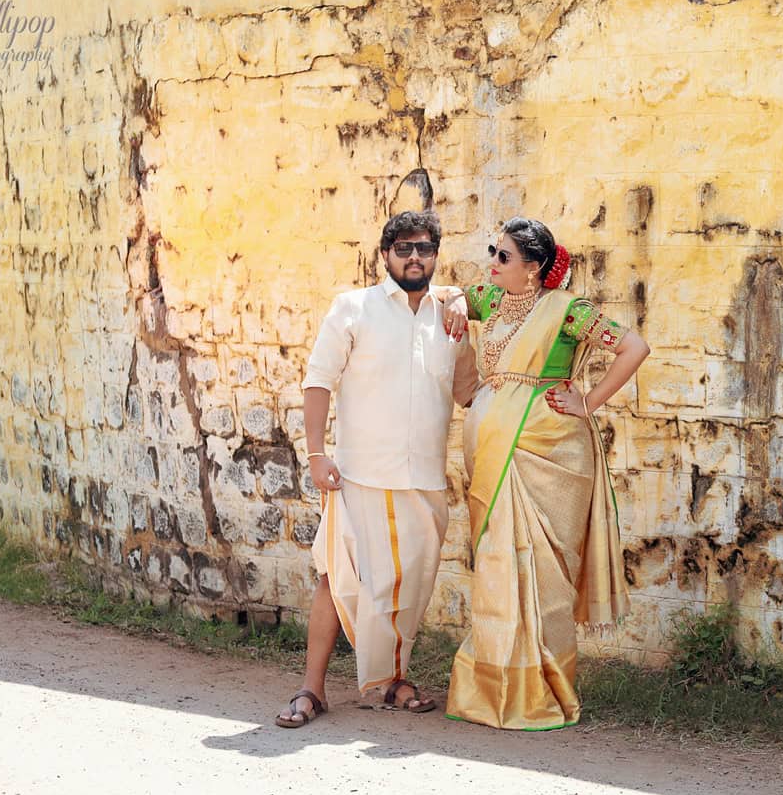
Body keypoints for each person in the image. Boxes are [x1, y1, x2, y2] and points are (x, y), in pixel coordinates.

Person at [445, 217, 650, 731]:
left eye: (503, 257)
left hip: (550, 450)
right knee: (497, 565)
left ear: (533, 268)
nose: (492, 264)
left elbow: (634, 347)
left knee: (545, 573)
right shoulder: (491, 301)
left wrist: (589, 402)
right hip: (491, 447)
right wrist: (451, 306)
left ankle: (545, 693)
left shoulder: (568, 311)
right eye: (493, 253)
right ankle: (489, 690)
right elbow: (449, 296)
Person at [276, 210, 476, 728]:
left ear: (436, 254)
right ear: (385, 254)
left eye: (425, 248)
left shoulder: (450, 316)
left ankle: (390, 681)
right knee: (336, 577)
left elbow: (469, 391)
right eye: (404, 248)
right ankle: (311, 689)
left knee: (410, 587)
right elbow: (318, 380)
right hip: (360, 475)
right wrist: (317, 454)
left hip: (425, 479)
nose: (415, 257)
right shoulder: (353, 308)